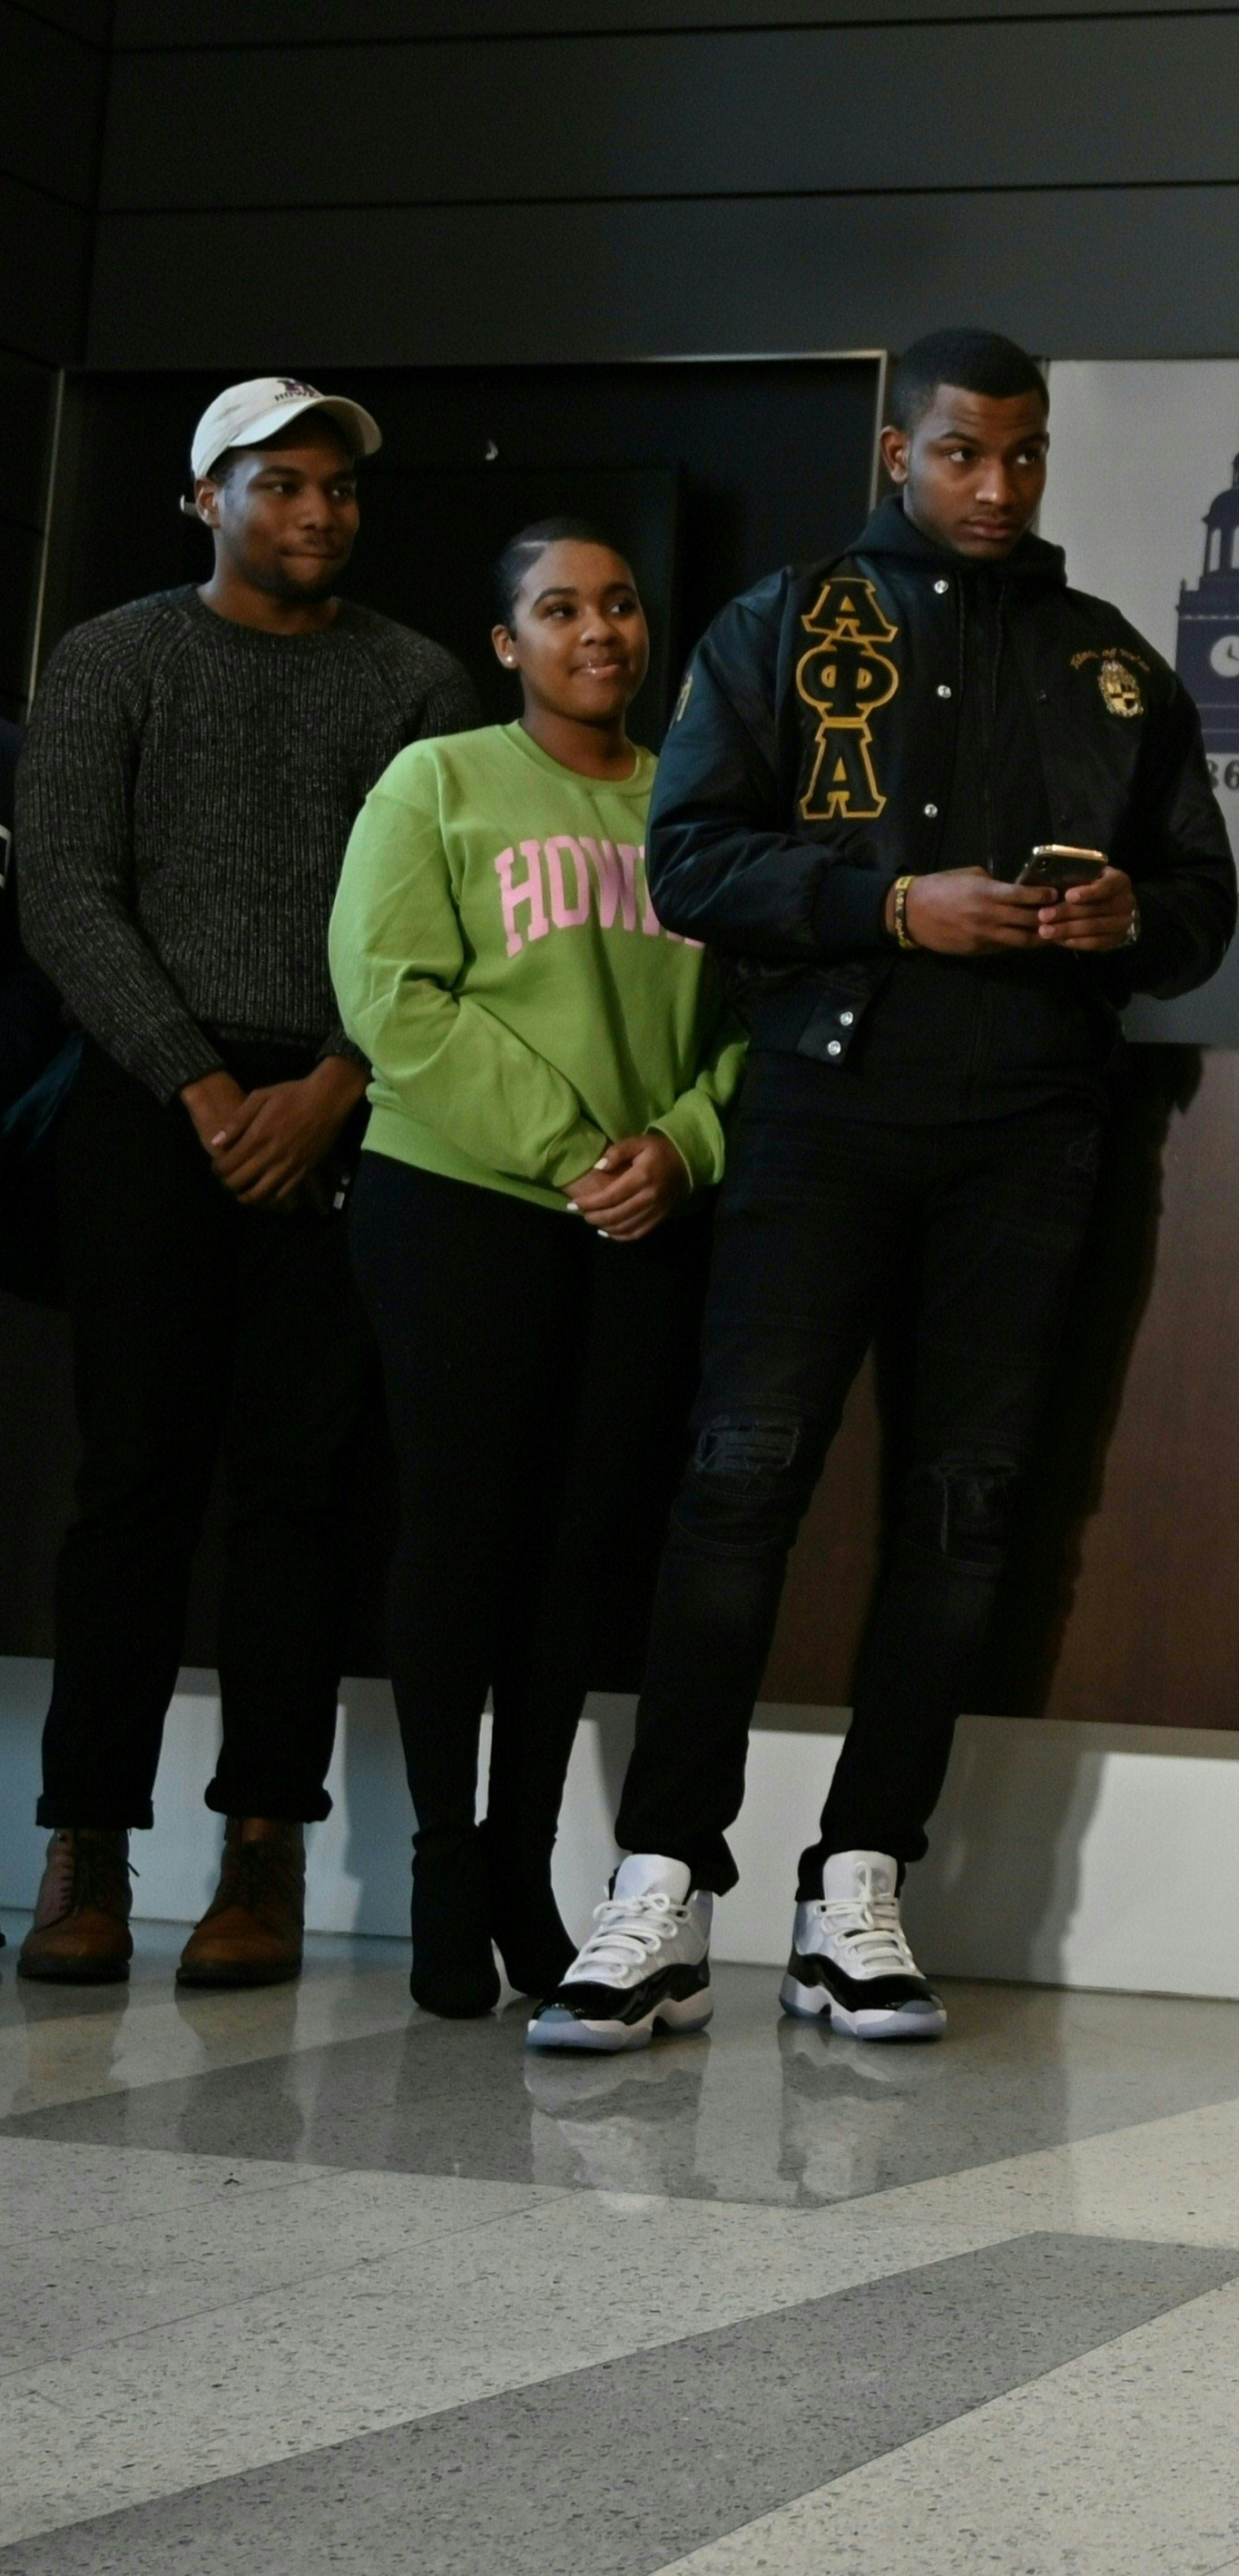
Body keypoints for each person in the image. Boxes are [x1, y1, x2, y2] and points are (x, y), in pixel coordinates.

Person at [527, 329, 1235, 2053]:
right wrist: (889, 908)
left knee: (967, 1510)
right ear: (893, 452)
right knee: (738, 1484)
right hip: (822, 1116)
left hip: (1033, 1132)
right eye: (964, 454)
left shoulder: (1114, 667)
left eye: (1025, 456)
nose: (997, 487)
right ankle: (660, 1888)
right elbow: (686, 858)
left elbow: (1203, 908)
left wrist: (1120, 919)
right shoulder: (779, 625)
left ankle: (859, 1879)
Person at [15, 379, 479, 1988]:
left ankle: (263, 1851)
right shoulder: (115, 660)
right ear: (203, 497)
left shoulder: (417, 681)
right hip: (157, 1099)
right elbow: (67, 892)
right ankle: (85, 1846)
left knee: (301, 1492)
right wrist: (205, 1091)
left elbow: (439, 919)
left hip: (348, 1103)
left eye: (338, 488)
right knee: (133, 1479)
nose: (318, 513)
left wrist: (334, 1085)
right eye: (280, 484)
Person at [329, 520, 745, 2018]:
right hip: (456, 1204)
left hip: (639, 1219)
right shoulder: (437, 780)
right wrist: (573, 1147)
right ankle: (448, 1859)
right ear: (506, 645)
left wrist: (681, 1149)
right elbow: (394, 998)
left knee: (580, 1555)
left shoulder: (701, 806)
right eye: (559, 608)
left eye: (620, 604)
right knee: (460, 1533)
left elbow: (757, 1024)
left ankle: (522, 1856)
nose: (598, 630)